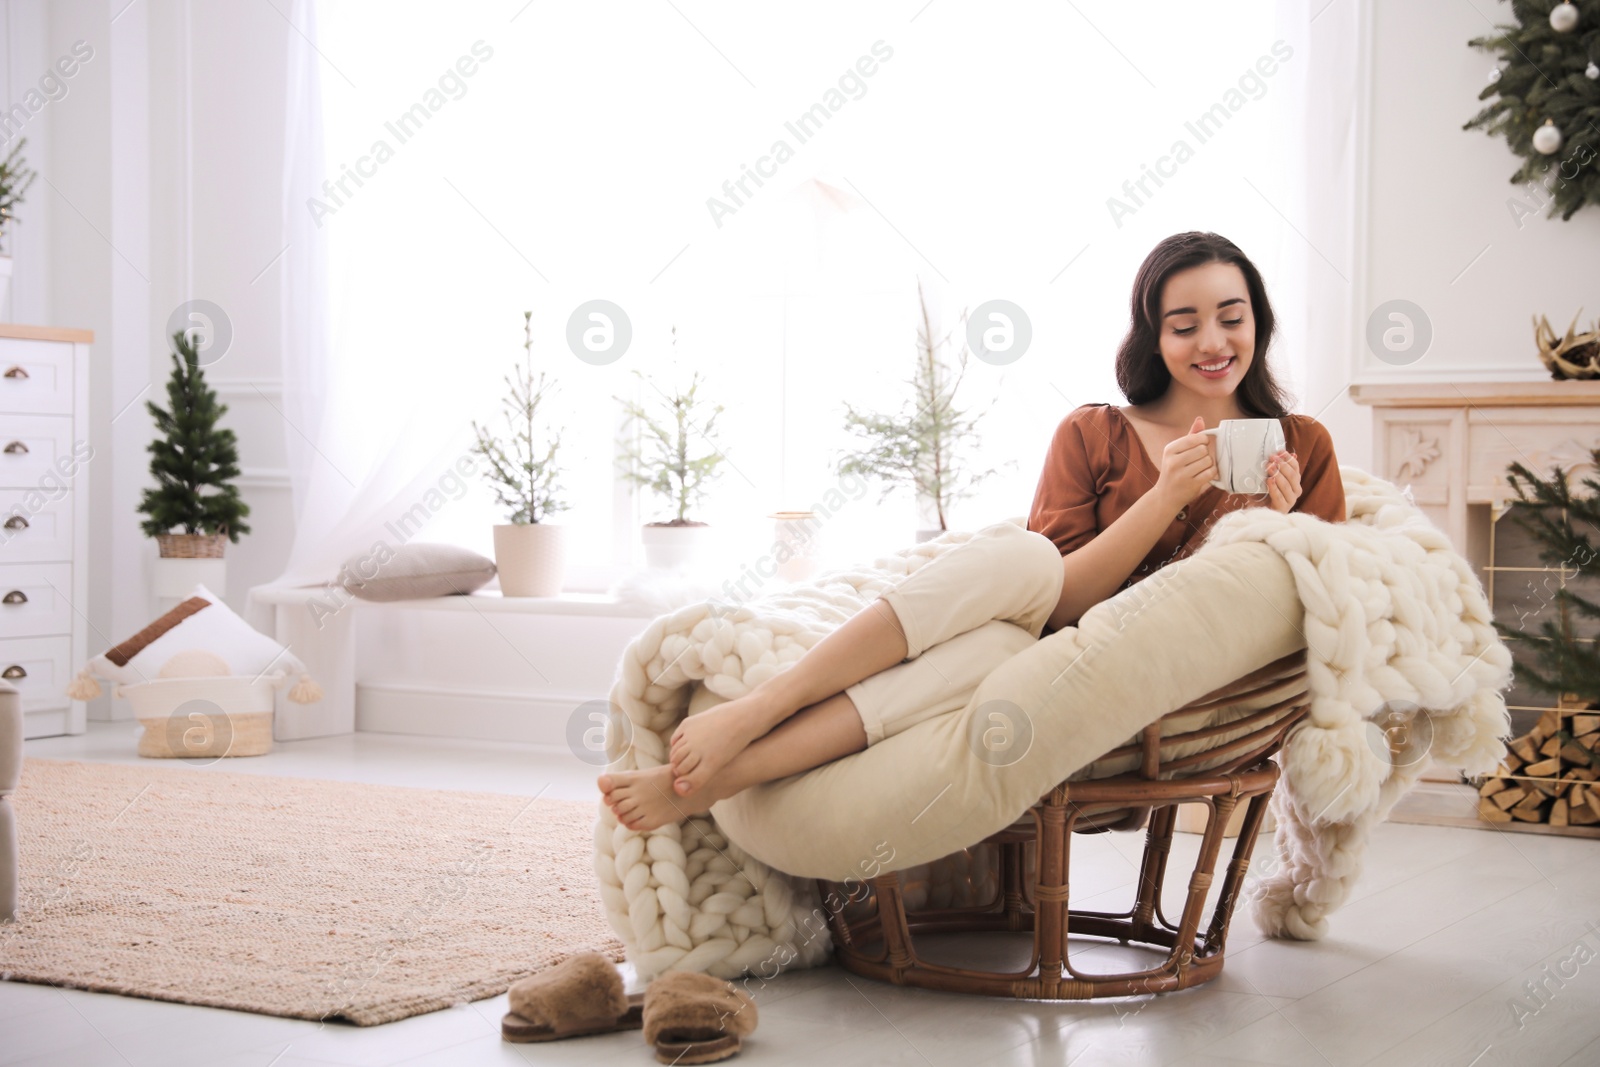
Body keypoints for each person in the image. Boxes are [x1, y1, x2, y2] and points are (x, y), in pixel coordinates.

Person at [600, 231, 1346, 832]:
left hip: (1133, 688)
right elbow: (1058, 599)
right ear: (1155, 337)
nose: (1212, 342)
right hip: (1045, 634)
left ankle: (711, 778)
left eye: (1231, 316)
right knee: (1015, 580)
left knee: (993, 651)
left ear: (1259, 322)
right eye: (1184, 325)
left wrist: (1267, 528)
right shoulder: (1094, 433)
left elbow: (1301, 607)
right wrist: (1163, 497)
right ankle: (756, 716)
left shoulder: (1301, 446)